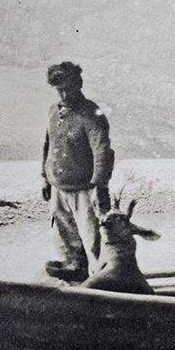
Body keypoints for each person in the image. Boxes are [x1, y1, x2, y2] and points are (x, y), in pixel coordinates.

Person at [41, 61, 115, 281]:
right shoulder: (53, 112)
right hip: (58, 187)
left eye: (68, 88)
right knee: (64, 236)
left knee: (93, 239)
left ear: (79, 84)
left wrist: (100, 186)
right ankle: (76, 271)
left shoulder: (92, 114)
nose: (64, 94)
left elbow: (102, 150)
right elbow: (48, 145)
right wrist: (44, 178)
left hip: (85, 189)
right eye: (59, 89)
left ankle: (103, 281)